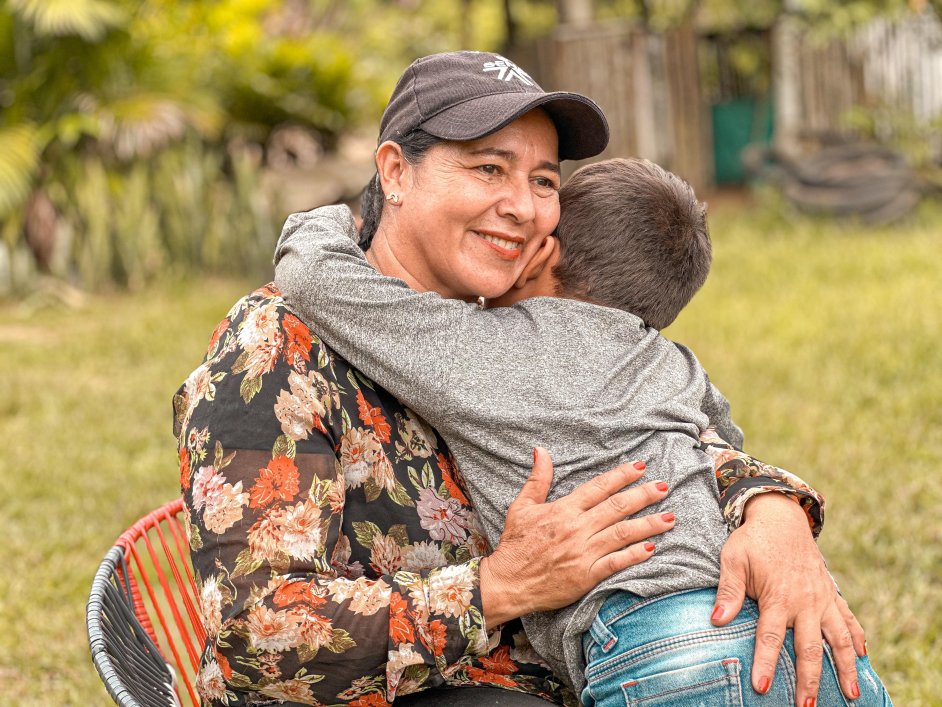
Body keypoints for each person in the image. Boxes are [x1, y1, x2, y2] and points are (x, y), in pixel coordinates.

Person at [174, 51, 864, 707]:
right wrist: (497, 587)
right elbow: (253, 634)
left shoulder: (517, 324)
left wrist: (773, 509)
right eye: (489, 168)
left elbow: (674, 431)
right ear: (395, 172)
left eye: (542, 180)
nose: (523, 206)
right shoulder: (277, 344)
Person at [273, 156, 893, 706]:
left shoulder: (488, 350)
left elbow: (312, 273)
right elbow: (722, 443)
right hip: (788, 627)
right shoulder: (672, 361)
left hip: (659, 643)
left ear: (552, 252)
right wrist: (770, 506)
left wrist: (352, 217)